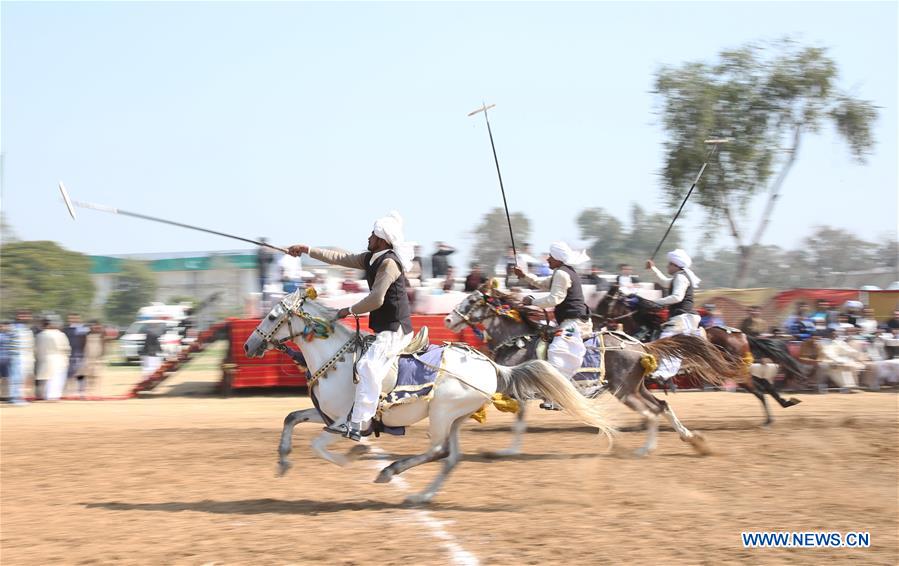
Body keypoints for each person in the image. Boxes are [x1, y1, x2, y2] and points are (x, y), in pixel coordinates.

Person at [287, 210, 415, 441]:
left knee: (367, 366)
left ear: (382, 240)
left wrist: (347, 311)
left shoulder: (389, 264)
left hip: (395, 330)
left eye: (372, 235)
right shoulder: (371, 258)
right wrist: (307, 250)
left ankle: (361, 423)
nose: (368, 238)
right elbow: (338, 258)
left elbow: (377, 299)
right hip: (384, 329)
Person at [513, 241, 592, 381]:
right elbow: (542, 283)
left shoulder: (562, 273)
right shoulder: (561, 271)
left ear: (558, 259)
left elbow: (554, 300)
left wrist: (532, 302)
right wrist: (524, 275)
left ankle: (557, 387)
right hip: (570, 320)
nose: (547, 259)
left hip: (574, 323)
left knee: (556, 351)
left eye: (550, 256)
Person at [645, 250, 702, 380]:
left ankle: (664, 374)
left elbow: (677, 297)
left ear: (676, 265)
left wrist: (655, 303)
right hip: (682, 317)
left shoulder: (681, 277)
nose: (667, 266)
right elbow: (665, 282)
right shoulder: (679, 276)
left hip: (684, 317)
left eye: (669, 264)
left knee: (667, 340)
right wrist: (653, 268)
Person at [35, 316, 71, 401]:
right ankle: (53, 396)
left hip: (45, 359)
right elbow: (66, 348)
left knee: (47, 379)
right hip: (59, 358)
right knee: (57, 379)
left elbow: (37, 349)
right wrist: (66, 358)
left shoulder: (40, 335)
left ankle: (47, 395)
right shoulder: (60, 334)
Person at [5, 310, 35, 405]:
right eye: (22, 315)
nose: (25, 317)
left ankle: (16, 397)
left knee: (20, 378)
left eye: (26, 315)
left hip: (24, 355)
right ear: (17, 316)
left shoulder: (26, 328)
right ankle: (15, 398)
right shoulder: (13, 327)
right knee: (16, 377)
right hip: (16, 355)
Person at [63, 313, 89, 395]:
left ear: (78, 319)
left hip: (79, 354)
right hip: (68, 355)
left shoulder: (82, 328)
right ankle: (66, 391)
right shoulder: (66, 329)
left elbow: (87, 339)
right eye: (71, 318)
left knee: (80, 373)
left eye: (75, 318)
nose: (73, 320)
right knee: (67, 374)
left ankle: (81, 391)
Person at [81, 321, 105, 398]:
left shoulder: (101, 335)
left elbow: (103, 346)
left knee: (96, 375)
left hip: (98, 358)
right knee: (88, 375)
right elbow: (84, 346)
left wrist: (102, 356)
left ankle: (96, 392)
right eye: (94, 326)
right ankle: (88, 391)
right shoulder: (87, 335)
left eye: (97, 327)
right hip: (88, 358)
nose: (95, 328)